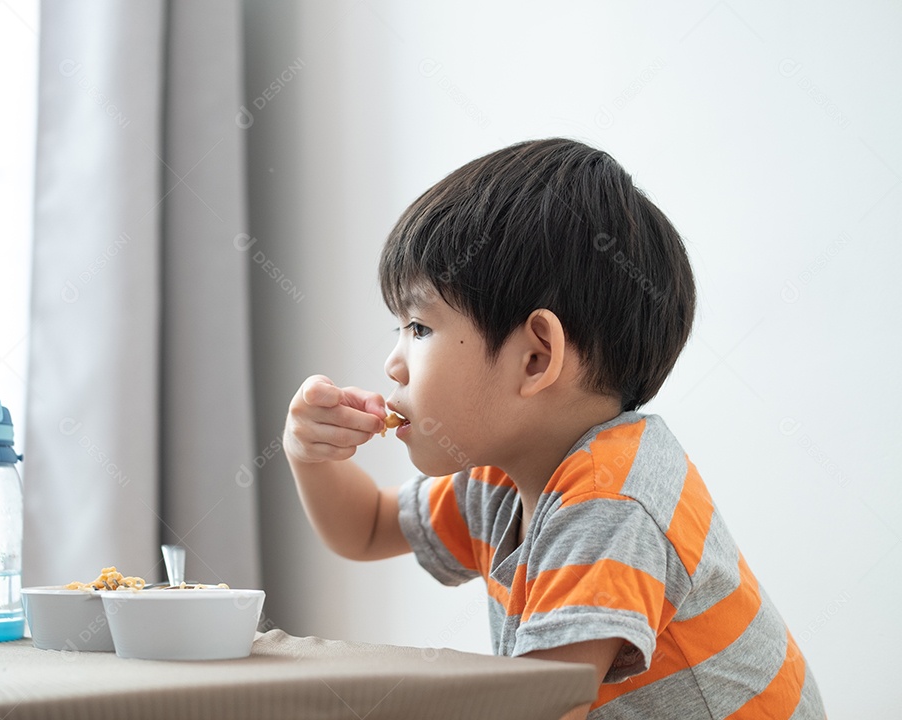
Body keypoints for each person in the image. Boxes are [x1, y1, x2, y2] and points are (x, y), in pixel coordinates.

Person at [282, 138, 826, 719]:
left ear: (536, 358)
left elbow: (538, 710)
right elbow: (364, 530)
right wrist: (310, 454)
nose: (393, 364)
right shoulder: (502, 475)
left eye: (418, 327)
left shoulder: (609, 503)